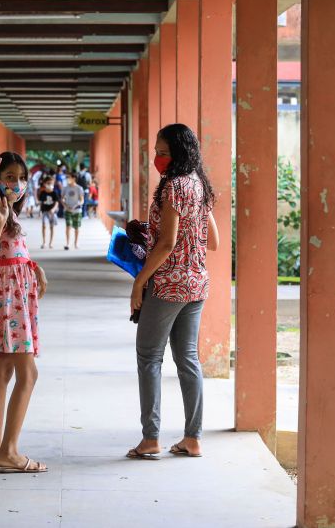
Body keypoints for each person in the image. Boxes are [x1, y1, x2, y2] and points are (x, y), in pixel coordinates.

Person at [126, 123, 220, 461]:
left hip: (167, 284)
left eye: (163, 153)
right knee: (188, 359)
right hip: (196, 284)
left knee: (149, 357)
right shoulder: (199, 186)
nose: (157, 158)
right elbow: (215, 242)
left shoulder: (173, 188)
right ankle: (192, 438)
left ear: (179, 153)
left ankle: (150, 438)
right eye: (156, 151)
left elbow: (166, 244)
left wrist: (140, 283)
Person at [0, 150, 49, 474]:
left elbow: (12, 252)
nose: (16, 184)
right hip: (9, 298)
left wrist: (36, 269)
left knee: (3, 372)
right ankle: (11, 452)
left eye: (21, 178)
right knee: (28, 374)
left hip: (15, 292)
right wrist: (1, 220)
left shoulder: (9, 212)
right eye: (9, 178)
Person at [61, 172, 85, 250]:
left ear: (74, 178)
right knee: (68, 226)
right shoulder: (65, 188)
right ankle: (67, 243)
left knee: (76, 227)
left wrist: (78, 204)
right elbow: (62, 198)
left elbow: (82, 200)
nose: (68, 179)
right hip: (67, 210)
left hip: (77, 210)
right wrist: (65, 205)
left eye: (69, 177)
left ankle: (76, 243)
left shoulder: (79, 188)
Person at [37, 176, 60, 249]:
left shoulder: (54, 193)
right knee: (44, 226)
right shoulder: (42, 193)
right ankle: (44, 242)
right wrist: (39, 212)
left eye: (51, 183)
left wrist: (53, 209)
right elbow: (41, 203)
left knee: (51, 227)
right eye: (48, 183)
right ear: (44, 184)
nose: (50, 184)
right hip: (44, 212)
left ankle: (51, 243)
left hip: (52, 213)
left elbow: (56, 203)